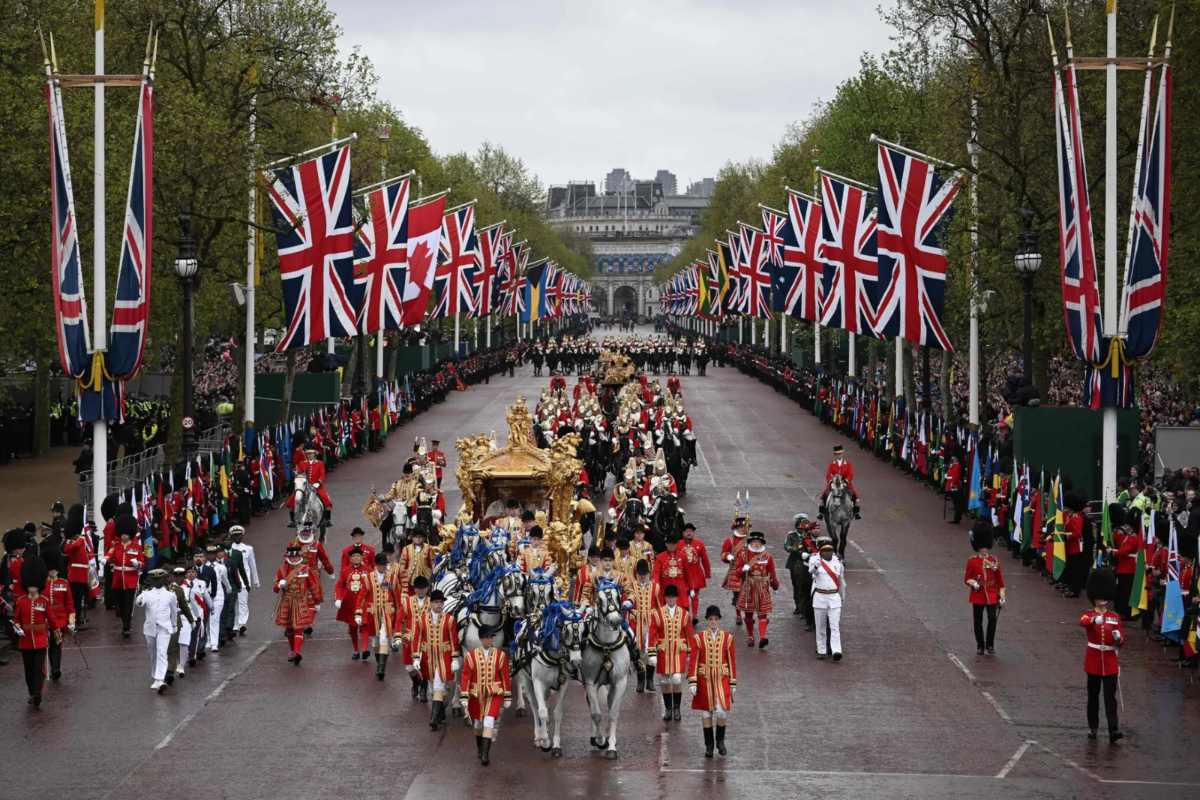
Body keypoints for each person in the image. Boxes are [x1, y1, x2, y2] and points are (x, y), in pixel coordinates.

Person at [688, 605, 737, 759]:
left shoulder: (728, 638)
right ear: (707, 621)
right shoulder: (699, 638)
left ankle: (720, 742)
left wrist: (733, 682)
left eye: (716, 619)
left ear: (719, 620)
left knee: (722, 711)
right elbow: (694, 661)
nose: (713, 622)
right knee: (706, 712)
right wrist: (693, 681)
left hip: (722, 678)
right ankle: (709, 745)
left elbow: (731, 661)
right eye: (711, 619)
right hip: (705, 679)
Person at [1082, 567, 1124, 743]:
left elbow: (1121, 640)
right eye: (1098, 597)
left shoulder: (1114, 617)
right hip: (1093, 661)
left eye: (1103, 597)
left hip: (1110, 662)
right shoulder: (1089, 614)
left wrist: (1118, 638)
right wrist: (1094, 620)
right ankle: (1093, 726)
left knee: (1109, 697)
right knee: (1093, 696)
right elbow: (1083, 621)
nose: (1101, 600)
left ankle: (1113, 730)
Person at [459, 624, 511, 766]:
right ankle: (480, 748)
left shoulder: (500, 655)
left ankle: (486, 754)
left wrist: (507, 695)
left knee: (489, 720)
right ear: (481, 639)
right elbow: (466, 677)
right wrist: (464, 696)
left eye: (491, 637)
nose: (489, 640)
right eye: (486, 637)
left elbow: (505, 676)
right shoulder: (471, 656)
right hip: (476, 695)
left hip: (494, 693)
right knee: (478, 723)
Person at [12, 555, 56, 707]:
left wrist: (57, 632)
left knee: (39, 667)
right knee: (28, 669)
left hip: (40, 638)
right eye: (29, 586)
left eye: (34, 586)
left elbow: (51, 619)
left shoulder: (44, 601)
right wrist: (16, 627)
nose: (31, 589)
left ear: (38, 585)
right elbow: (17, 619)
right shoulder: (21, 601)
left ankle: (37, 693)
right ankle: (32, 692)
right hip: (25, 641)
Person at [412, 588, 460, 730]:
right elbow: (417, 639)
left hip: (443, 658)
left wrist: (454, 658)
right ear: (431, 604)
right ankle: (441, 709)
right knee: (434, 690)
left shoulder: (449, 620)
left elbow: (453, 640)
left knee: (439, 685)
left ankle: (433, 718)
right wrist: (416, 657)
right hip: (428, 658)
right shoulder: (421, 620)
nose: (439, 604)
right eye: (436, 602)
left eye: (441, 602)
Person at [356, 552, 404, 680]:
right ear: (376, 565)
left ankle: (381, 667)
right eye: (382, 565)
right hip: (373, 613)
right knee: (375, 641)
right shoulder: (368, 578)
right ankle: (379, 664)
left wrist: (400, 615)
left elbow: (397, 597)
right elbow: (362, 596)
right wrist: (358, 612)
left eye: (386, 565)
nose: (385, 567)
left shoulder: (392, 578)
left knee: (384, 638)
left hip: (388, 613)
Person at [650, 584, 692, 721]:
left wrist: (690, 653)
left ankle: (677, 708)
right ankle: (668, 708)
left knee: (677, 678)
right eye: (668, 597)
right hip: (664, 649)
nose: (671, 599)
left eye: (673, 597)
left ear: (677, 598)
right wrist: (651, 652)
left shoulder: (685, 614)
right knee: (666, 679)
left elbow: (688, 634)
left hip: (679, 649)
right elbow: (652, 634)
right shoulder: (657, 613)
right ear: (665, 598)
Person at [274, 545, 321, 665]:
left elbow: (313, 586)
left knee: (299, 629)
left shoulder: (306, 569)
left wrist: (316, 602)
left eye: (296, 556)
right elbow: (275, 589)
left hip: (300, 602)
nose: (294, 559)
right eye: (292, 557)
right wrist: (280, 584)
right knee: (289, 629)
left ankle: (297, 652)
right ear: (288, 557)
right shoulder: (282, 570)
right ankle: (293, 651)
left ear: (300, 556)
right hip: (287, 602)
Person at [135, 569, 179, 693]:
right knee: (153, 653)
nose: (157, 581)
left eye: (159, 579)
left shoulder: (170, 593)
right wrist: (139, 599)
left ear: (163, 579)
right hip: (150, 627)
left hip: (164, 627)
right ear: (152, 581)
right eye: (155, 579)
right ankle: (155, 677)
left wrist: (174, 625)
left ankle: (161, 680)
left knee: (162, 652)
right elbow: (140, 603)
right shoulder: (147, 592)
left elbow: (174, 611)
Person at [734, 531, 780, 649]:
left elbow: (772, 572)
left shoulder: (767, 557)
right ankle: (750, 636)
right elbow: (737, 573)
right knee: (748, 613)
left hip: (762, 587)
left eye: (758, 542)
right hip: (748, 586)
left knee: (762, 614)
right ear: (750, 543)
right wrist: (742, 570)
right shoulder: (744, 556)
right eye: (754, 542)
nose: (756, 544)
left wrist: (775, 586)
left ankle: (762, 637)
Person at [964, 521, 1005, 655]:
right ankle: (980, 645)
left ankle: (990, 645)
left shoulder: (994, 560)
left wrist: (1002, 596)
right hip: (978, 594)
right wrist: (973, 583)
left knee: (992, 618)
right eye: (981, 547)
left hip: (992, 594)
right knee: (978, 622)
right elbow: (967, 577)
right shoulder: (972, 561)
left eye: (985, 547)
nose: (983, 549)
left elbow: (999, 579)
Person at [105, 515, 142, 637]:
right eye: (122, 534)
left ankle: (127, 627)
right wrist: (106, 559)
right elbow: (110, 555)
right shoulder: (116, 546)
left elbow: (142, 563)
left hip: (131, 578)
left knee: (128, 605)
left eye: (126, 534)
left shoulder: (136, 547)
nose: (124, 537)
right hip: (118, 579)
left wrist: (138, 564)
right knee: (120, 605)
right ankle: (124, 622)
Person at [808, 537, 845, 661]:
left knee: (835, 626)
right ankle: (821, 649)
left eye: (830, 550)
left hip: (834, 598)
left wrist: (842, 598)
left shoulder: (838, 565)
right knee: (821, 626)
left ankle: (836, 650)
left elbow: (842, 583)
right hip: (820, 597)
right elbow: (811, 571)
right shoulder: (817, 563)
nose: (827, 552)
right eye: (825, 551)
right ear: (821, 552)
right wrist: (817, 565)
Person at [40, 550, 75, 682]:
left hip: (60, 619)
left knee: (56, 644)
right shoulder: (42, 584)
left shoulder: (64, 583)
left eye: (55, 570)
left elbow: (70, 604)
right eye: (51, 570)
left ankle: (55, 668)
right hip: (44, 619)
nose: (53, 572)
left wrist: (71, 621)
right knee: (45, 645)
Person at [396, 575, 432, 700]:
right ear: (415, 589)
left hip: (427, 640)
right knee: (410, 668)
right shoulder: (407, 602)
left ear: (427, 589)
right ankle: (415, 682)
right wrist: (397, 635)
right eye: (418, 588)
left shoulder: (432, 603)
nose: (421, 590)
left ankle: (424, 688)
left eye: (423, 588)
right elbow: (400, 620)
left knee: (426, 666)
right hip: (410, 639)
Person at [627, 559, 660, 693]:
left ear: (648, 574)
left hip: (651, 623)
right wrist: (632, 616)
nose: (642, 576)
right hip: (637, 622)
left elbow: (659, 606)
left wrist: (658, 621)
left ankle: (650, 680)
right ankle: (640, 681)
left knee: (651, 651)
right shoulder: (631, 586)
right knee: (639, 652)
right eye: (640, 574)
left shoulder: (655, 587)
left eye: (644, 574)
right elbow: (627, 606)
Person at [335, 547, 372, 661]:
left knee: (365, 625)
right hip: (350, 603)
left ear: (362, 558)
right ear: (350, 558)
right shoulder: (345, 571)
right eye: (354, 556)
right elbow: (339, 585)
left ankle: (365, 649)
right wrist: (338, 598)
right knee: (353, 627)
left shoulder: (369, 570)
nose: (356, 558)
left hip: (364, 602)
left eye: (358, 556)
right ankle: (356, 650)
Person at [784, 514, 818, 629]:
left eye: (806, 529)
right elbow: (787, 546)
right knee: (796, 585)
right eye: (803, 529)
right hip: (795, 564)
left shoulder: (810, 538)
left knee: (803, 587)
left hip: (807, 565)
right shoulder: (792, 535)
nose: (804, 531)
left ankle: (804, 609)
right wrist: (793, 548)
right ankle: (798, 605)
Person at [721, 515, 751, 626]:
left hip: (749, 569)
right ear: (736, 528)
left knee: (749, 594)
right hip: (736, 570)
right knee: (737, 594)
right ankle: (738, 614)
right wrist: (727, 557)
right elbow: (723, 554)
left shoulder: (751, 540)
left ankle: (748, 615)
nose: (743, 529)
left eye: (745, 527)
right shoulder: (730, 540)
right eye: (741, 527)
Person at [166, 567, 195, 681]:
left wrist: (194, 619)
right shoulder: (170, 588)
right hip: (172, 618)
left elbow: (192, 604)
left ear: (184, 576)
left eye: (181, 576)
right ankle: (172, 665)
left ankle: (181, 666)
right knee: (173, 644)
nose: (179, 578)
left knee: (183, 642)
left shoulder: (189, 588)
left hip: (184, 617)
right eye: (176, 576)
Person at [229, 526, 259, 635]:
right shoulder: (228, 550)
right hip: (232, 580)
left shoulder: (248, 548)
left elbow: (252, 565)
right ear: (232, 536)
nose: (237, 537)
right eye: (235, 535)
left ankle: (242, 623)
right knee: (233, 602)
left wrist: (256, 581)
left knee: (242, 602)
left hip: (244, 579)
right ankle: (235, 623)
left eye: (239, 535)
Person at [679, 523, 711, 624]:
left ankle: (695, 616)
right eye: (687, 531)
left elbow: (705, 560)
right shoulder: (678, 544)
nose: (689, 533)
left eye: (691, 531)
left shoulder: (700, 544)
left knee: (695, 595)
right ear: (683, 533)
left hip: (695, 572)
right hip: (683, 574)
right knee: (684, 595)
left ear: (693, 533)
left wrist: (707, 573)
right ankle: (686, 615)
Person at [819, 445, 860, 520]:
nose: (839, 455)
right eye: (838, 454)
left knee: (856, 496)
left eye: (840, 454)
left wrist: (846, 482)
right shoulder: (832, 464)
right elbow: (828, 475)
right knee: (823, 496)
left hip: (846, 484)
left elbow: (851, 474)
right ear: (835, 455)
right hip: (834, 484)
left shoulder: (848, 464)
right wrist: (831, 482)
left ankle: (856, 512)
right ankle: (821, 513)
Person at [204, 544, 232, 651]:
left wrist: (229, 589)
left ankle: (214, 643)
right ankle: (209, 639)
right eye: (209, 554)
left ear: (216, 555)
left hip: (218, 595)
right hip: (206, 596)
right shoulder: (203, 568)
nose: (211, 556)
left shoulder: (221, 567)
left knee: (214, 619)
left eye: (213, 554)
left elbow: (225, 580)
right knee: (207, 619)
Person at [395, 526, 434, 596]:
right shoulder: (406, 549)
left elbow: (433, 564)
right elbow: (402, 566)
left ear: (423, 538)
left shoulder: (429, 548)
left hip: (426, 581)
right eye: (416, 537)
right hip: (410, 582)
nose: (418, 538)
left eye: (420, 537)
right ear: (412, 538)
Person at [654, 534, 691, 606]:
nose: (672, 546)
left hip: (679, 586)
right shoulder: (660, 557)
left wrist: (690, 587)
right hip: (665, 585)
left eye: (674, 544)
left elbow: (687, 572)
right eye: (670, 544)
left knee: (681, 607)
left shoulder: (683, 556)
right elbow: (656, 572)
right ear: (666, 544)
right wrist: (655, 585)